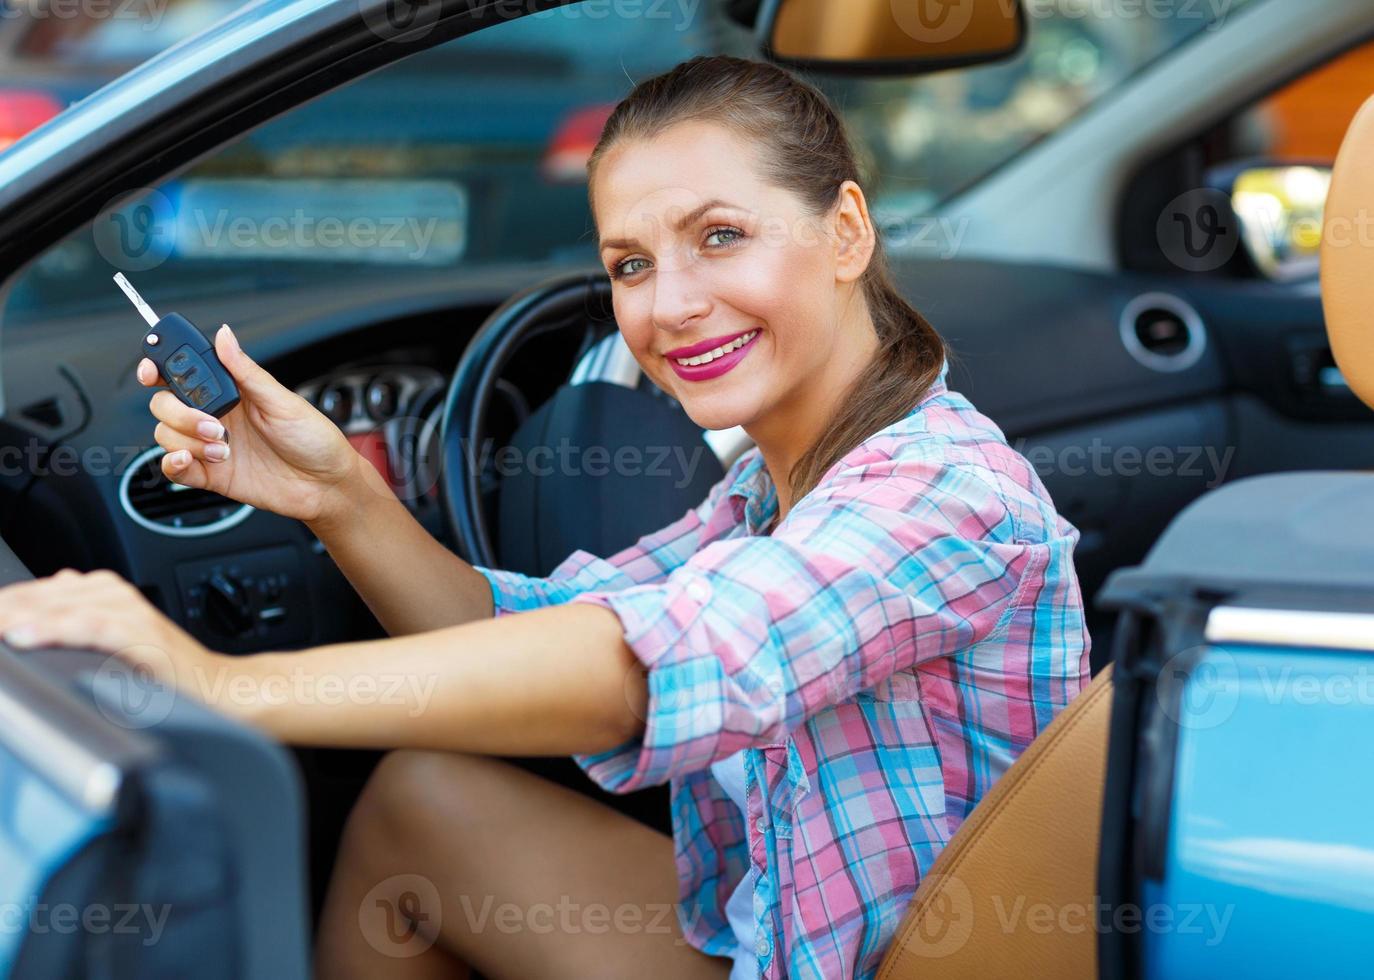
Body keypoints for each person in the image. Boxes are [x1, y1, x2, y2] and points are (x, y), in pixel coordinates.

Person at [0, 55, 1089, 980]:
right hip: (780, 944)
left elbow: (658, 660)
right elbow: (538, 621)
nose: (669, 304)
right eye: (630, 263)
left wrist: (218, 685)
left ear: (845, 231)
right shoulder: (771, 492)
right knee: (420, 802)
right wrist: (335, 493)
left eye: (720, 236)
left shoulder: (944, 492)